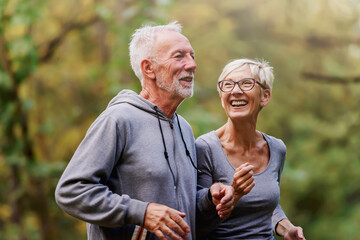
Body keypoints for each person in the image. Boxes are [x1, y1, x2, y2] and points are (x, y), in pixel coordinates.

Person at [55, 21, 235, 240]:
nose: (192, 64)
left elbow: (178, 209)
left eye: (192, 56)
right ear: (149, 68)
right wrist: (141, 212)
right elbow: (71, 191)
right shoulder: (118, 120)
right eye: (179, 56)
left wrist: (209, 199)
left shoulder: (185, 129)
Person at [196, 58, 306, 240]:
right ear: (221, 96)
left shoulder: (276, 148)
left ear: (265, 96)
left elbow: (267, 204)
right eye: (228, 84)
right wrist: (235, 194)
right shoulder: (205, 147)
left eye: (247, 83)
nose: (235, 91)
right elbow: (199, 225)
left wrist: (287, 229)